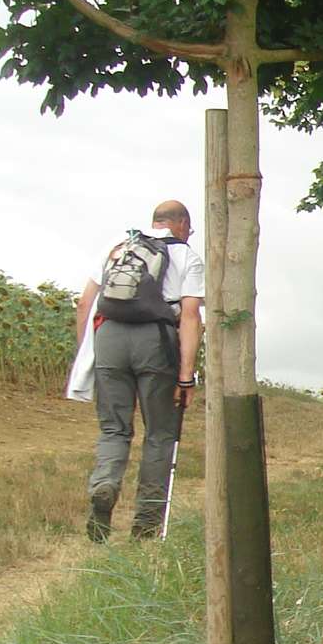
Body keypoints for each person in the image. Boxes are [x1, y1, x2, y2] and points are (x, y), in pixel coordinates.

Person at [73, 200, 203, 541]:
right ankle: (146, 524)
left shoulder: (118, 246)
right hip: (155, 341)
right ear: (182, 224)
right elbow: (190, 317)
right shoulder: (186, 256)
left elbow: (85, 304)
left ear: (154, 221)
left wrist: (87, 355)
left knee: (113, 429)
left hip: (109, 337)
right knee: (159, 433)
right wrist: (186, 376)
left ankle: (105, 485)